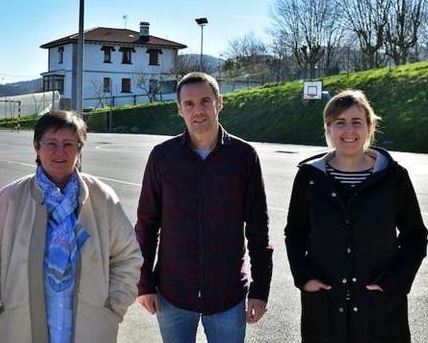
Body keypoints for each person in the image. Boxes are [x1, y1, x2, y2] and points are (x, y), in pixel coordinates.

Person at [0, 110, 142, 343]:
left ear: (80, 149)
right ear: (37, 146)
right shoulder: (11, 198)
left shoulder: (102, 198)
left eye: (68, 144)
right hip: (21, 332)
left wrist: (111, 309)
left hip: (91, 332)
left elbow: (128, 257)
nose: (59, 152)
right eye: (51, 143)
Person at [135, 72, 273, 343]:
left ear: (219, 103)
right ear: (179, 109)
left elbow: (259, 227)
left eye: (205, 101)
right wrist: (144, 283)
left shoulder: (243, 156)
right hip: (172, 294)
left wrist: (260, 289)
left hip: (228, 295)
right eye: (189, 104)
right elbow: (146, 224)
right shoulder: (163, 156)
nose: (198, 110)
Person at [285, 90, 427, 343]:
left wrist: (393, 282)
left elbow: (415, 236)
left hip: (380, 311)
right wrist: (304, 277)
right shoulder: (309, 178)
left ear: (370, 126)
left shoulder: (394, 177)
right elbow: (295, 233)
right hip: (325, 310)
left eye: (356, 122)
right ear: (329, 129)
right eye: (340, 122)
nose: (348, 130)